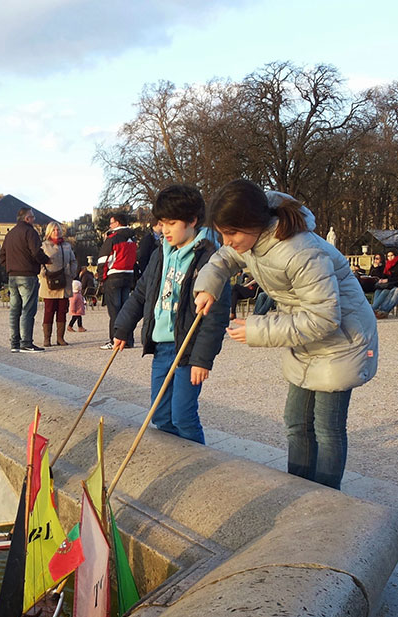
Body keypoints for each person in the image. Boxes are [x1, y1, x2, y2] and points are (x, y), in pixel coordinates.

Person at [193, 179, 379, 490]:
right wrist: (209, 284)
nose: (227, 241)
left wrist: (257, 329)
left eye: (232, 233)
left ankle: (327, 499)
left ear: (255, 223)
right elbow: (225, 259)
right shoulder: (253, 241)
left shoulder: (300, 250)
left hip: (342, 340)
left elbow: (324, 318)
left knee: (327, 428)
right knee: (296, 422)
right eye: (223, 233)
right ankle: (299, 490)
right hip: (305, 336)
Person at [113, 184, 230, 444]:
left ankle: (198, 463)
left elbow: (216, 317)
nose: (164, 229)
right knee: (161, 415)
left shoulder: (210, 258)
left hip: (188, 349)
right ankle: (172, 462)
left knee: (183, 416)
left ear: (192, 221)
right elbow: (141, 294)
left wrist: (202, 359)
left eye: (172, 223)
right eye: (162, 222)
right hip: (162, 347)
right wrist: (123, 327)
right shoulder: (159, 254)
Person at [0, 207, 50, 353]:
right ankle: (26, 342)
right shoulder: (30, 232)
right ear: (27, 218)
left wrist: (10, 266)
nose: (34, 219)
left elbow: (1, 256)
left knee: (14, 310)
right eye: (32, 217)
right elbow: (36, 252)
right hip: (27, 275)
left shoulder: (10, 234)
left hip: (13, 276)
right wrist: (46, 260)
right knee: (28, 309)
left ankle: (14, 343)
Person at [97, 212, 139, 350]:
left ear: (117, 223)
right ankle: (128, 340)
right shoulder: (132, 238)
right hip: (128, 275)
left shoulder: (112, 238)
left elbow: (103, 260)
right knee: (126, 309)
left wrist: (101, 278)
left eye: (111, 222)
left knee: (114, 310)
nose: (110, 225)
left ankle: (114, 339)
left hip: (114, 275)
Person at [38, 221, 78, 346]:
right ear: (49, 232)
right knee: (49, 311)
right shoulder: (44, 246)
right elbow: (39, 262)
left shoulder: (66, 246)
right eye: (54, 230)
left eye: (58, 230)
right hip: (49, 282)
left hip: (64, 281)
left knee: (62, 311)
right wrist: (43, 273)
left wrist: (71, 272)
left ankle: (60, 338)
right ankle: (47, 338)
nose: (57, 232)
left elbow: (73, 260)